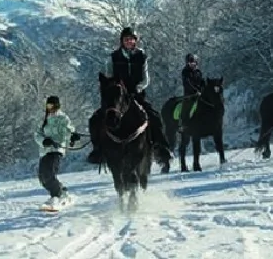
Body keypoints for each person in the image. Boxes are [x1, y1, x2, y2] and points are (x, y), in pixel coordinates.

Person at [87, 27, 173, 165]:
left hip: (136, 95)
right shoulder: (113, 57)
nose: (129, 42)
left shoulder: (142, 57)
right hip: (117, 97)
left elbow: (146, 79)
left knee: (154, 116)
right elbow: (109, 76)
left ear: (135, 41)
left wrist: (137, 88)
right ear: (122, 41)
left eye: (131, 39)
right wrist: (115, 88)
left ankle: (160, 148)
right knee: (95, 119)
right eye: (126, 39)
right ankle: (98, 150)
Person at [34, 95, 81, 209]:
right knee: (42, 177)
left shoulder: (63, 118)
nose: (49, 107)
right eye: (47, 105)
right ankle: (62, 192)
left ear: (57, 105)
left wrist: (73, 136)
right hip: (45, 151)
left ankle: (57, 195)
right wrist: (44, 141)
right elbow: (37, 134)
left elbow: (69, 130)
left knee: (49, 174)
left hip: (57, 149)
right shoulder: (44, 119)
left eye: (51, 105)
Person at [180, 53, 205, 127]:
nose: (192, 64)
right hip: (190, 95)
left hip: (199, 94)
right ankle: (183, 125)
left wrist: (203, 88)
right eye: (190, 62)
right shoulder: (185, 72)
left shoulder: (198, 72)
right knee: (186, 108)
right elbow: (187, 83)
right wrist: (196, 90)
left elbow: (202, 81)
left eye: (193, 62)